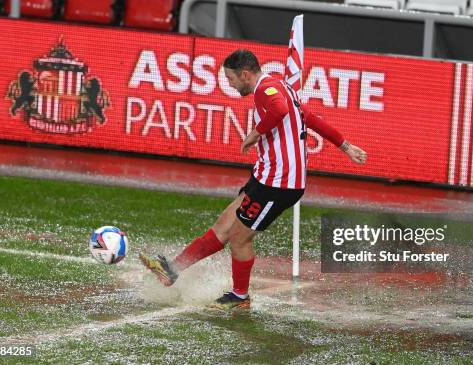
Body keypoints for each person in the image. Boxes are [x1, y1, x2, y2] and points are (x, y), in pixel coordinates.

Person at [139, 49, 367, 309]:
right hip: (264, 176)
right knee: (223, 227)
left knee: (239, 237)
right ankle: (172, 270)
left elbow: (280, 110)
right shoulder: (278, 83)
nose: (230, 85)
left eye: (231, 79)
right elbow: (310, 118)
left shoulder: (265, 90)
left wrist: (255, 133)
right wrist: (345, 146)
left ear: (245, 74)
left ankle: (239, 297)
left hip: (278, 184)